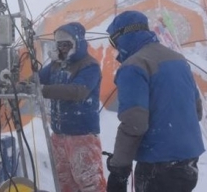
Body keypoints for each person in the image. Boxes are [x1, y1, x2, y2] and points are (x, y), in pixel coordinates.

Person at [105, 10, 205, 192]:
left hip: (158, 167)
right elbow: (197, 110)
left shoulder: (134, 66)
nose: (115, 47)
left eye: (113, 41)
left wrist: (119, 170)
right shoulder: (178, 59)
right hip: (189, 162)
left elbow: (134, 123)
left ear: (122, 36)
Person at [37, 22, 106, 192]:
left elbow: (77, 91)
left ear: (77, 43)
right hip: (59, 135)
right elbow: (37, 78)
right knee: (65, 183)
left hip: (82, 135)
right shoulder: (56, 66)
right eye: (59, 44)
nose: (62, 48)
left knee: (90, 184)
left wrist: (43, 90)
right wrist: (22, 84)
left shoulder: (89, 66)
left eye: (66, 44)